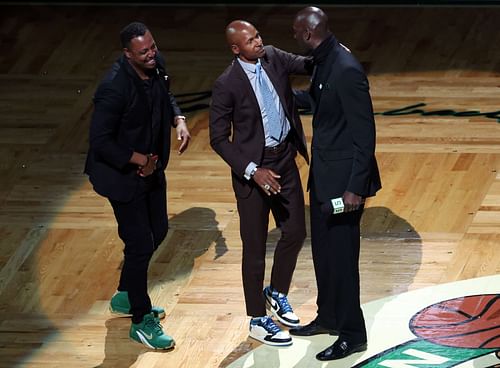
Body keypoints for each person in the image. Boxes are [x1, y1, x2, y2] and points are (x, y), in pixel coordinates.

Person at [84, 21, 191, 350]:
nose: (151, 54)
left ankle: (125, 298)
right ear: (127, 54)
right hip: (121, 177)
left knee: (158, 231)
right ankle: (140, 321)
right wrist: (137, 159)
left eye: (153, 47)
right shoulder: (114, 88)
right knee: (140, 244)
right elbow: (100, 141)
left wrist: (179, 119)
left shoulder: (156, 66)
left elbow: (166, 94)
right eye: (143, 52)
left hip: (153, 168)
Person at [209, 20, 313, 346]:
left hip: (284, 160)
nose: (258, 42)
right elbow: (218, 139)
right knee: (254, 250)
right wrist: (253, 171)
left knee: (295, 231)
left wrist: (331, 52)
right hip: (254, 173)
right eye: (250, 40)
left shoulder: (272, 57)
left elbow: (308, 64)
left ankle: (277, 291)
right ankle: (257, 318)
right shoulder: (227, 84)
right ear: (235, 48)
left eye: (257, 35)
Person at [289, 6, 382, 361]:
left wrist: (355, 188)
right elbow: (320, 102)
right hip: (324, 178)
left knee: (343, 259)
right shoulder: (324, 60)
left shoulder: (345, 69)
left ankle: (352, 333)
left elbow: (365, 134)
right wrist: (286, 98)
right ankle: (328, 316)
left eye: (296, 33)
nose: (294, 38)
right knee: (324, 253)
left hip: (345, 185)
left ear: (308, 33)